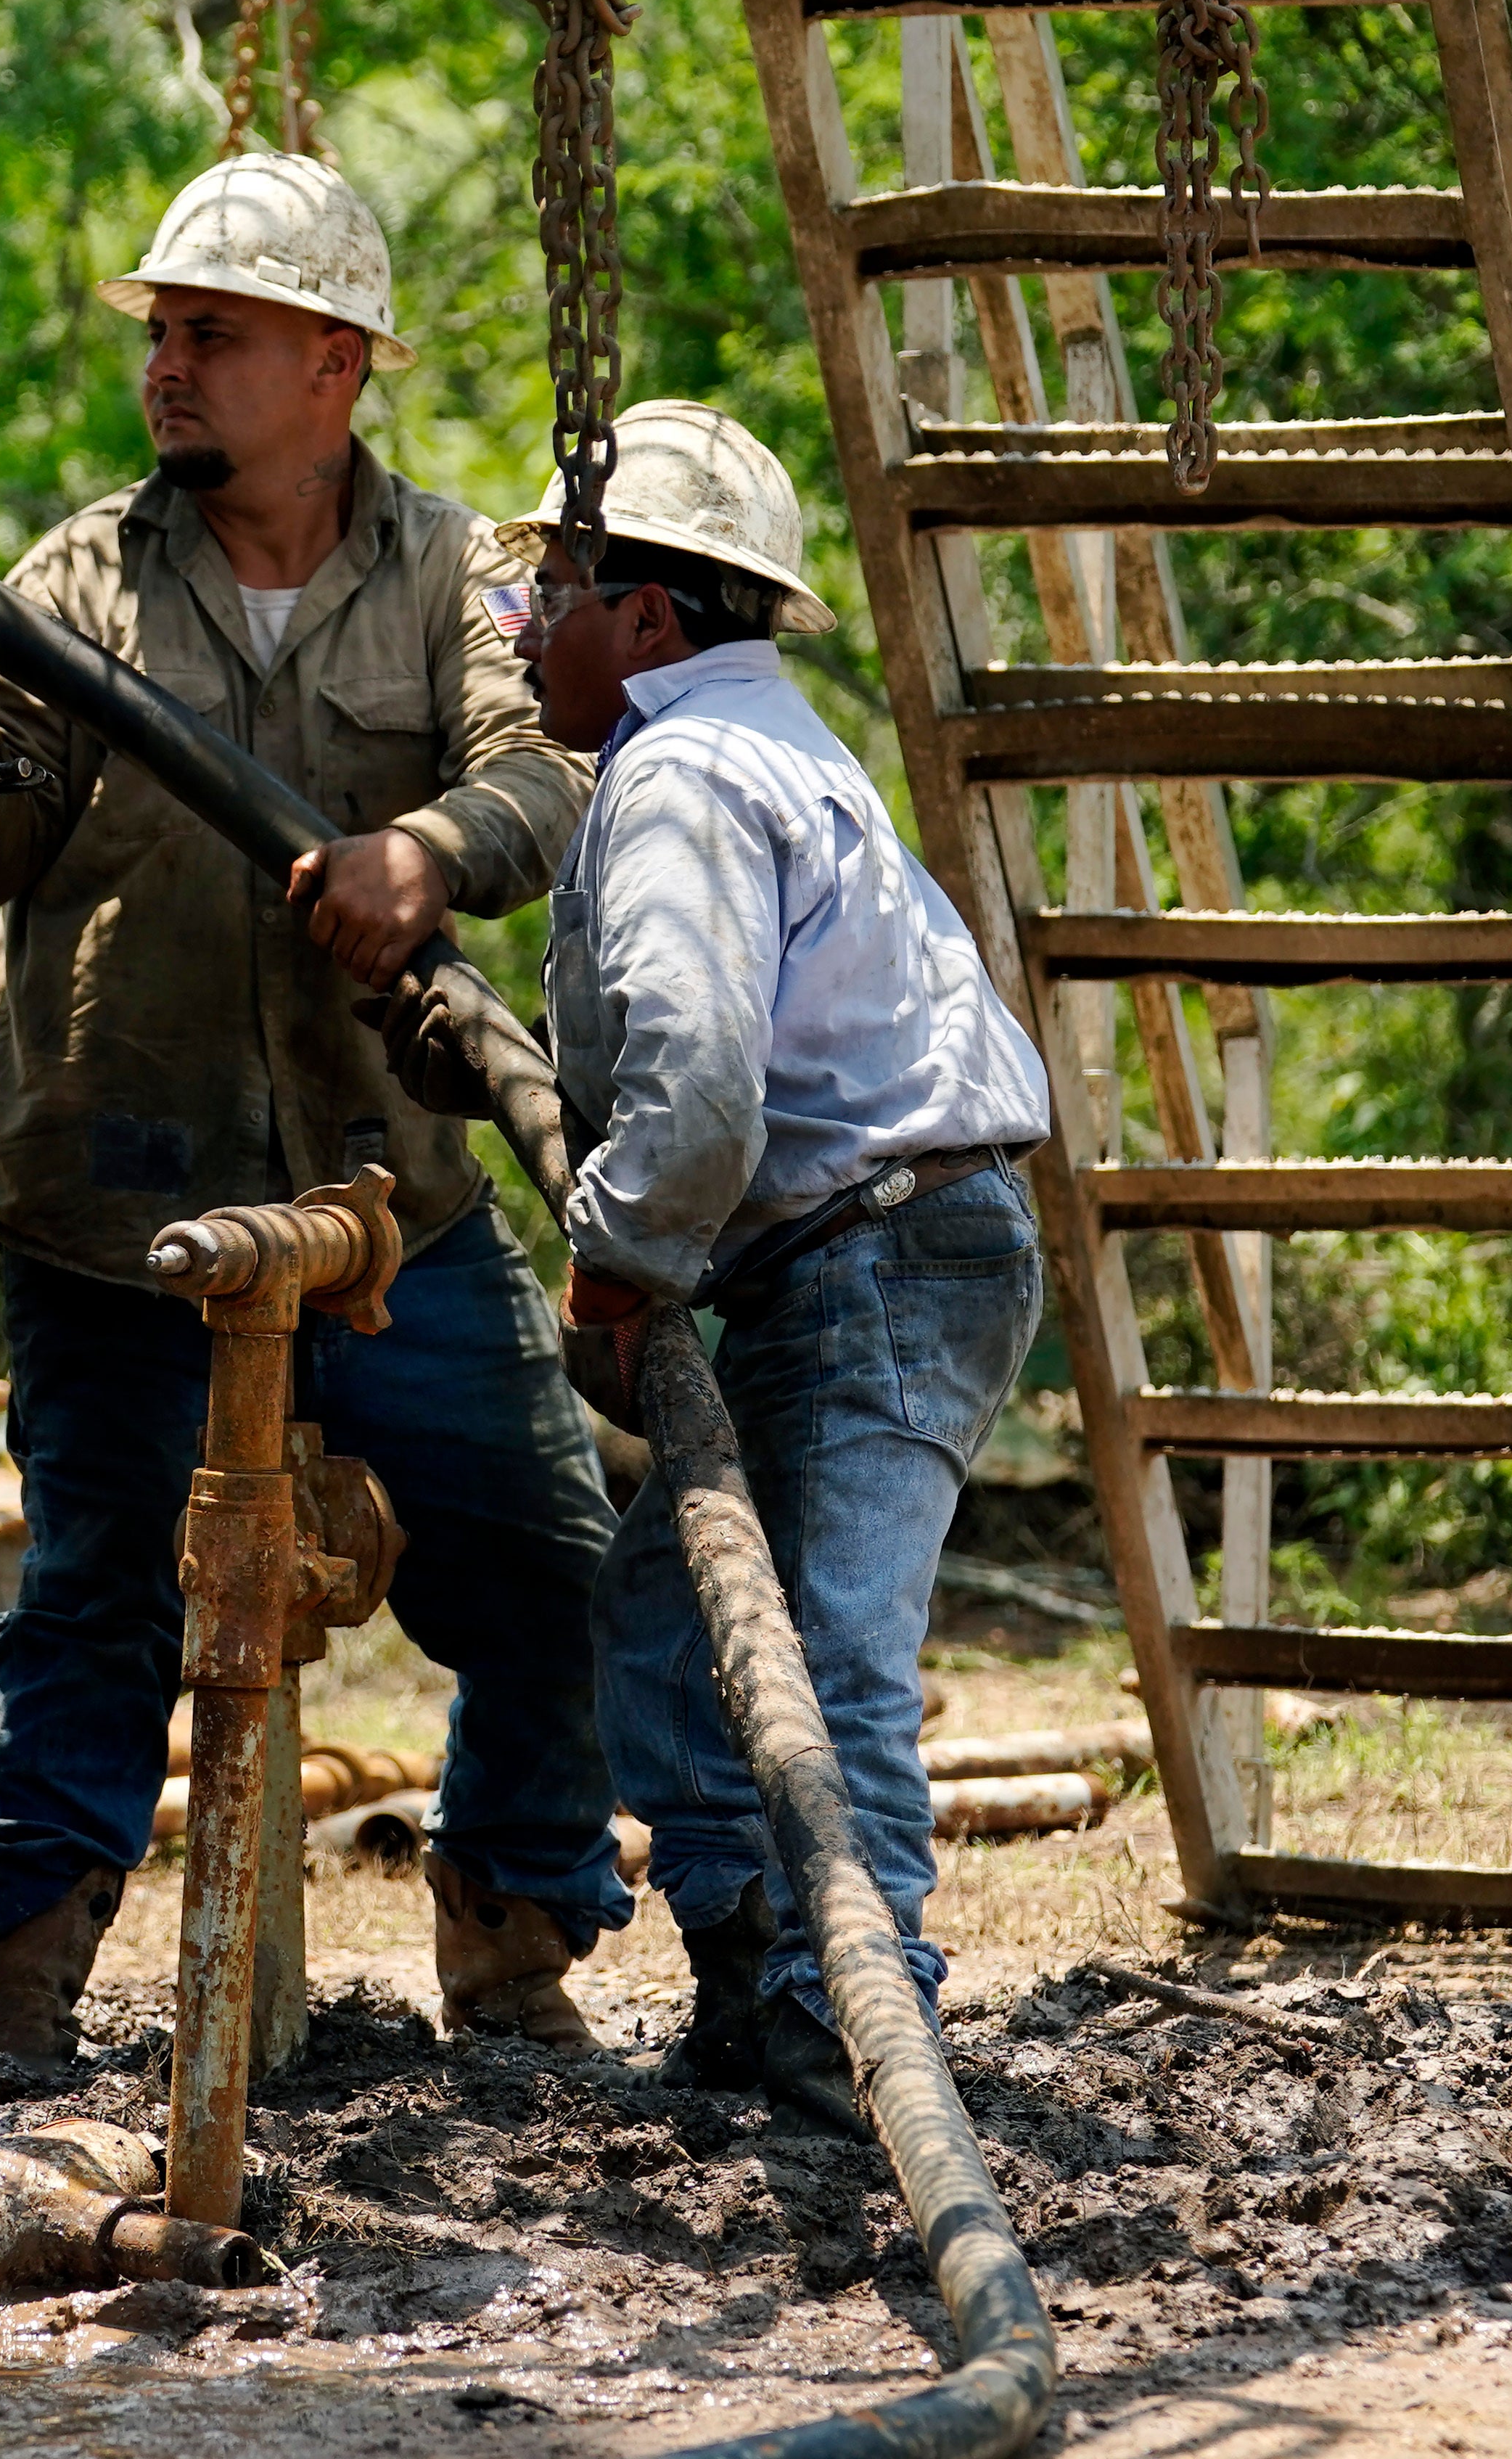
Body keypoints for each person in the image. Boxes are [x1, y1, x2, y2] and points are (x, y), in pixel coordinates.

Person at [0, 153, 627, 2059]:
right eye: (163, 335)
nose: (167, 368)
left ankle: (509, 1941)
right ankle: (17, 1994)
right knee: (101, 1590)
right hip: (122, 1211)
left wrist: (423, 855)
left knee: (544, 1551)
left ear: (336, 363)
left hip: (386, 1197)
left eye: (213, 334)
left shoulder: (447, 579)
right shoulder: (70, 585)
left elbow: (545, 782)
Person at [433, 398, 1050, 2130]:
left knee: (828, 1651)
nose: (518, 628)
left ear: (645, 617)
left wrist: (611, 1259)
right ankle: (757, 1973)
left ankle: (855, 2012)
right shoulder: (766, 742)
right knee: (659, 1619)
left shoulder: (685, 774)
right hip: (854, 1248)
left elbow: (698, 1085)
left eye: (544, 590)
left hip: (876, 1253)